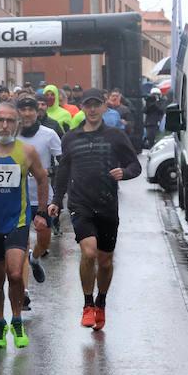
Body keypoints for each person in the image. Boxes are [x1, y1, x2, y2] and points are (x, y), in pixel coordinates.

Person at [47, 88, 141, 331]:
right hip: (81, 204)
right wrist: (56, 199)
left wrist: (125, 173)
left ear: (103, 107)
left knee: (106, 261)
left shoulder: (116, 136)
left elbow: (135, 165)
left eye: (96, 104)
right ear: (81, 107)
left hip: (107, 203)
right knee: (88, 253)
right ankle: (88, 304)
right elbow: (63, 171)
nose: (91, 109)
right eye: (87, 105)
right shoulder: (70, 138)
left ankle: (101, 301)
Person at [0, 104, 49, 348]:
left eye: (10, 120)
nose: (5, 125)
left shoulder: (27, 151)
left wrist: (41, 212)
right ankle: (0, 323)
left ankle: (17, 319)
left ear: (17, 124)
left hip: (17, 222)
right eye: (0, 120)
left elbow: (42, 177)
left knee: (16, 274)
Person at [16, 95, 61, 286]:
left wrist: (58, 193)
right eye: (23, 110)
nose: (27, 114)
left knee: (43, 242)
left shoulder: (49, 134)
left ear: (37, 112)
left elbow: (62, 163)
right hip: (18, 199)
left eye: (31, 110)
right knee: (21, 246)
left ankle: (35, 259)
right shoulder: (12, 135)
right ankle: (23, 292)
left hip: (43, 197)